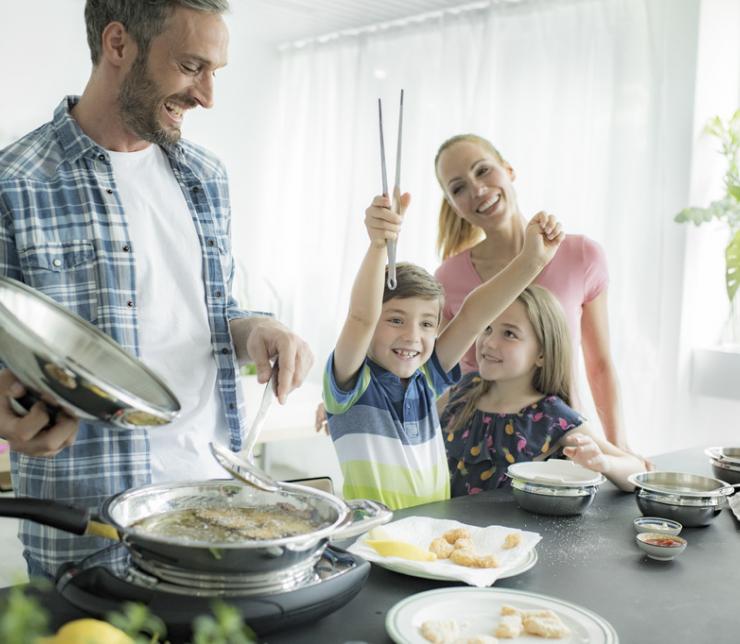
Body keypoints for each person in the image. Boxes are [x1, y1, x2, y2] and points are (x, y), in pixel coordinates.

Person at [0, 0, 313, 578]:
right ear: (118, 45)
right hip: (88, 528)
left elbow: (203, 312)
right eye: (193, 66)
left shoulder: (206, 176)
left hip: (215, 508)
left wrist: (255, 329)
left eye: (216, 71)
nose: (208, 96)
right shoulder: (14, 183)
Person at [322, 191, 563, 510]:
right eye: (396, 320)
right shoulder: (352, 384)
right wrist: (379, 244)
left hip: (433, 538)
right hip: (376, 538)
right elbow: (361, 317)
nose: (412, 336)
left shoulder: (425, 379)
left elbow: (473, 316)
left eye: (426, 324)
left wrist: (532, 261)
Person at [434, 134, 631, 451]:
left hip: (561, 448)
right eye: (458, 188)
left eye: (482, 170)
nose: (477, 190)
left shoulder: (581, 255)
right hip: (473, 452)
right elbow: (436, 375)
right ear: (454, 206)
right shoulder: (448, 277)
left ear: (508, 170)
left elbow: (600, 365)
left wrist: (620, 449)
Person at [441, 285, 644, 496]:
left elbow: (636, 471)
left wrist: (603, 463)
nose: (489, 342)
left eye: (509, 334)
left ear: (542, 354)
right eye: (487, 328)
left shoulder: (551, 416)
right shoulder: (462, 391)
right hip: (439, 528)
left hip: (509, 530)